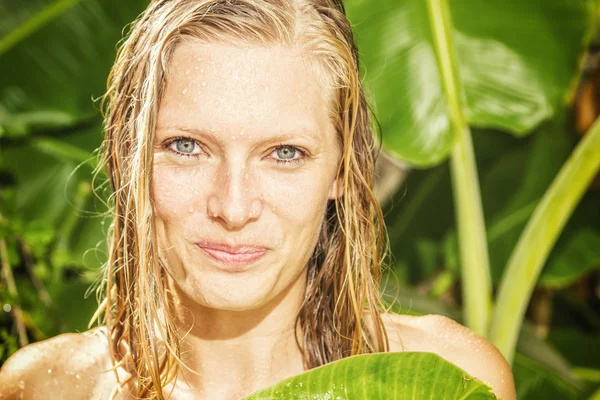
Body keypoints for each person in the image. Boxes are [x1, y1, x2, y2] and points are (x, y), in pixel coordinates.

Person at [0, 0, 516, 399]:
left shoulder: (442, 382)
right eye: (187, 147)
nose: (234, 207)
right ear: (126, 154)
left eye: (285, 153)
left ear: (343, 167)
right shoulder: (48, 386)